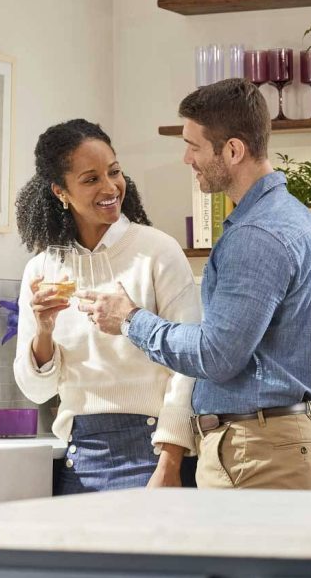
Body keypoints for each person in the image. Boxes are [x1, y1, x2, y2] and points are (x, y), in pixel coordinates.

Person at [78, 79, 311, 490]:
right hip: (280, 443)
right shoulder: (297, 219)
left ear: (233, 150)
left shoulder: (256, 234)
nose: (186, 158)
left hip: (256, 451)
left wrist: (130, 319)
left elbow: (215, 356)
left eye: (194, 146)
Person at [13, 119, 201, 495]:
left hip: (153, 449)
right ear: (60, 191)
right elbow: (35, 390)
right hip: (78, 457)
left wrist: (171, 461)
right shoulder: (43, 269)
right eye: (90, 179)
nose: (110, 187)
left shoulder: (156, 251)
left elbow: (189, 366)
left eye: (114, 172)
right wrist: (44, 331)